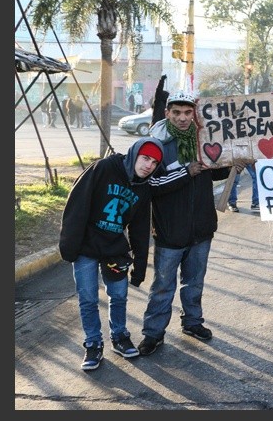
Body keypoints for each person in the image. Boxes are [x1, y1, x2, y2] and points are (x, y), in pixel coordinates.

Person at [137, 89, 233, 356]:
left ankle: (192, 322)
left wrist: (230, 164)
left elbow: (214, 174)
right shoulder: (156, 145)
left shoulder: (205, 139)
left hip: (202, 227)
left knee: (195, 282)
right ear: (167, 113)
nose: (182, 118)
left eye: (188, 112)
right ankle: (153, 333)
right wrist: (185, 172)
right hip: (170, 230)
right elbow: (152, 185)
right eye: (177, 112)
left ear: (195, 114)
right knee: (162, 286)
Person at [59, 137, 164, 370]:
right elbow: (77, 204)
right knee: (88, 298)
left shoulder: (143, 187)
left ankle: (119, 336)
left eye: (154, 162)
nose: (149, 165)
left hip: (115, 250)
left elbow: (139, 229)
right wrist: (68, 245)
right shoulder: (104, 168)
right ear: (134, 154)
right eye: (145, 158)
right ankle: (93, 343)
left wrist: (139, 265)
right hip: (86, 247)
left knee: (118, 296)